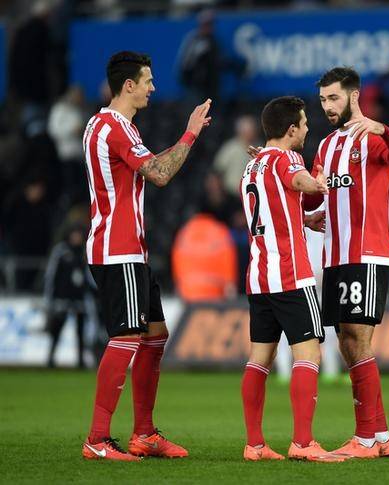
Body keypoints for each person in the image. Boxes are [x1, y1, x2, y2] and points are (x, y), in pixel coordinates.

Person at [81, 51, 212, 461]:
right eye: (148, 80)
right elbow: (158, 173)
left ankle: (144, 434)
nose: (154, 88)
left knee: (155, 335)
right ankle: (98, 440)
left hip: (128, 249)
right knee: (126, 338)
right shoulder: (116, 129)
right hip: (117, 250)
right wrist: (189, 134)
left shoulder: (101, 125)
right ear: (129, 86)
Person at [308, 67, 389, 458]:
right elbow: (312, 195)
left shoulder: (372, 137)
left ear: (353, 96)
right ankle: (379, 436)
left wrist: (383, 129)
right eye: (322, 100)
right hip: (334, 255)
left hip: (367, 253)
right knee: (346, 342)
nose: (327, 107)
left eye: (333, 98)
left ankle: (367, 437)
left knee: (358, 335)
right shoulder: (324, 146)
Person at [239, 96, 343, 462]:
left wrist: (303, 220)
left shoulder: (252, 167)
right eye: (303, 123)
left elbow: (270, 214)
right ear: (290, 130)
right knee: (309, 353)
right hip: (290, 275)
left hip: (258, 276)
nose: (308, 128)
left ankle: (254, 445)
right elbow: (298, 180)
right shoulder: (288, 158)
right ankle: (303, 443)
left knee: (259, 359)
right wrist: (318, 183)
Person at [44, 223, 95, 368]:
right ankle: (50, 358)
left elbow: (88, 276)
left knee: (80, 331)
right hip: (62, 298)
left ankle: (80, 360)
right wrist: (50, 298)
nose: (77, 237)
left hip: (79, 299)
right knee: (57, 329)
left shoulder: (84, 252)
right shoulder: (60, 251)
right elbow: (51, 275)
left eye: (79, 235)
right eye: (74, 234)